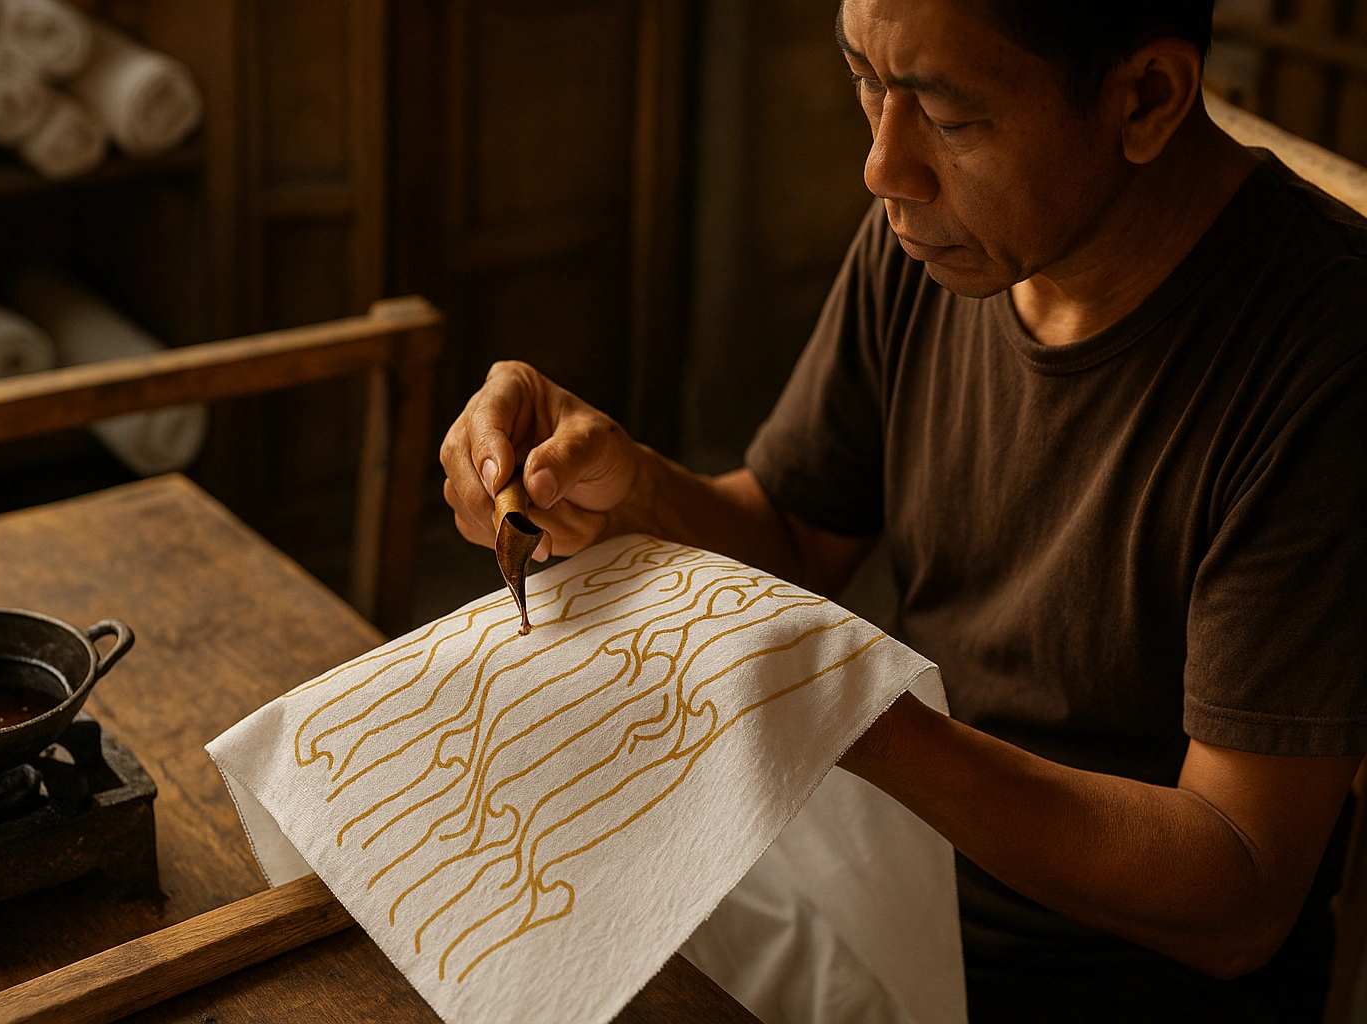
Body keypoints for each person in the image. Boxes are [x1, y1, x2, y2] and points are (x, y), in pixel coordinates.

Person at [438, 0, 1367, 1019]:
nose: (884, 166)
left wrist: (859, 712)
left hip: (1103, 977)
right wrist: (624, 492)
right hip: (885, 881)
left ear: (1145, 98)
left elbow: (1237, 890)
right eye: (867, 82)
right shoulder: (947, 237)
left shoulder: (1322, 360)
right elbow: (793, 531)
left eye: (951, 118)